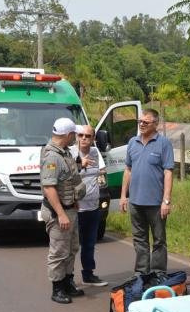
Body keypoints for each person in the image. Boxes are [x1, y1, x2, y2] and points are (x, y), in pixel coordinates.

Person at [118, 109, 174, 276]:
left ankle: (158, 273)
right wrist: (123, 196)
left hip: (156, 203)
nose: (141, 124)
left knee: (159, 240)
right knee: (140, 240)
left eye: (145, 122)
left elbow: (168, 172)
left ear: (155, 124)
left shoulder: (163, 143)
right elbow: (127, 170)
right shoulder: (132, 142)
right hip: (135, 202)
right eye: (140, 121)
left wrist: (166, 201)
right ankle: (142, 273)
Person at [40, 117, 88, 304]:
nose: (76, 137)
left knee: (71, 248)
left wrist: (73, 201)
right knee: (59, 251)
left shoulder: (65, 152)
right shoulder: (52, 156)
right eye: (74, 134)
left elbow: (67, 179)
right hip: (58, 212)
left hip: (69, 208)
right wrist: (60, 213)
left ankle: (68, 283)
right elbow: (49, 187)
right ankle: (57, 288)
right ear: (68, 135)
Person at [70, 124, 107, 286]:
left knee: (89, 244)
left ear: (93, 138)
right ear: (76, 136)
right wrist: (79, 165)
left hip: (92, 207)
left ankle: (88, 274)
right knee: (71, 246)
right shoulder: (69, 153)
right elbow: (64, 177)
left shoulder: (95, 152)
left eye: (88, 136)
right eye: (81, 135)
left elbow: (101, 172)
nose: (84, 138)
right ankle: (67, 278)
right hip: (75, 208)